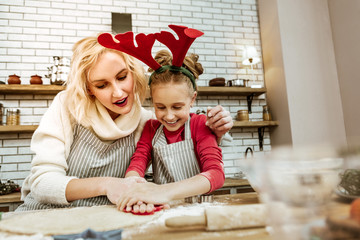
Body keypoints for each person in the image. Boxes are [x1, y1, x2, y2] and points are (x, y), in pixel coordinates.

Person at [16, 31, 233, 212]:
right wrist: (108, 185)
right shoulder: (67, 106)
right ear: (88, 89)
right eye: (102, 85)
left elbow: (191, 153)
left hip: (103, 217)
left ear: (133, 72)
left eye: (122, 77)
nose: (118, 93)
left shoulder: (148, 121)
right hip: (45, 214)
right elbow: (42, 184)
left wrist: (218, 130)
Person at [119, 49, 224, 213]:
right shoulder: (151, 128)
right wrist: (134, 188)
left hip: (201, 209)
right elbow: (137, 163)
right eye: (160, 107)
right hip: (162, 209)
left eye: (177, 107)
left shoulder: (199, 124)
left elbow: (216, 174)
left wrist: (163, 192)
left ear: (192, 99)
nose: (168, 116)